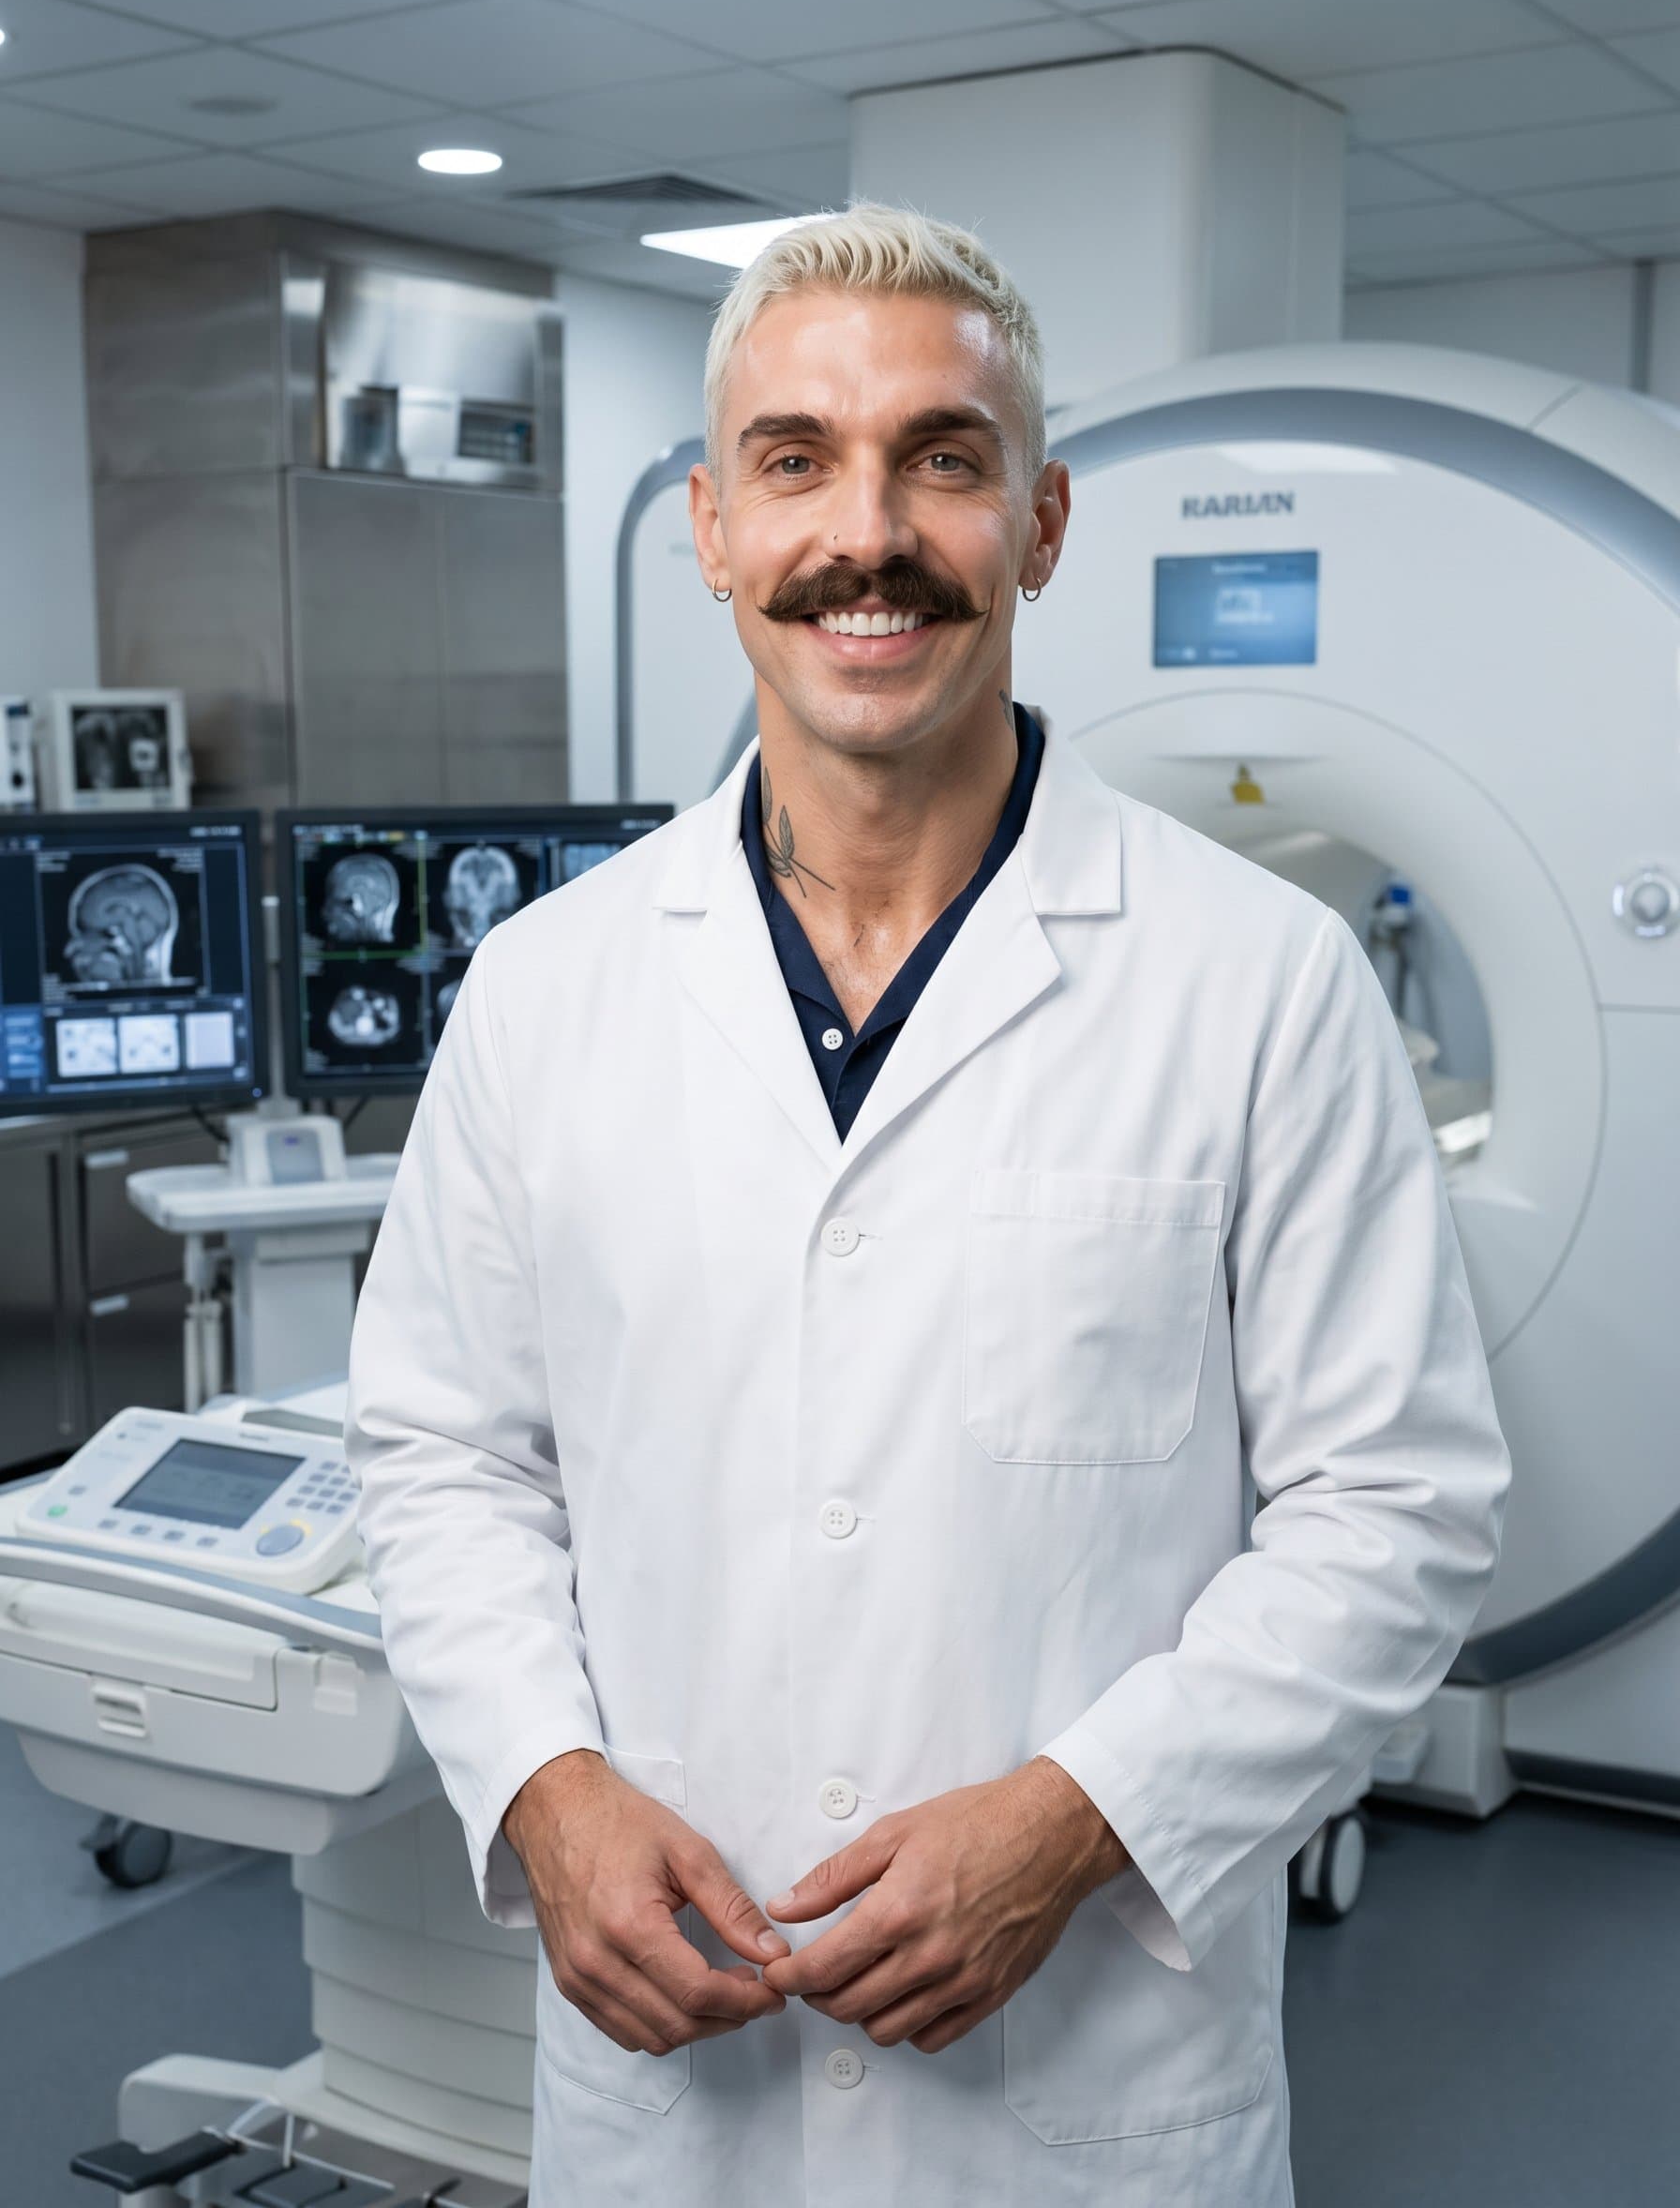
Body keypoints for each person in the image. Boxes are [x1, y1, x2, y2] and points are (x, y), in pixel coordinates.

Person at [346, 203, 1509, 2208]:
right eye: (795, 461)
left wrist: (1078, 1823)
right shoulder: (548, 990)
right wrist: (542, 1785)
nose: (864, 534)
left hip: (1088, 2095)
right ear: (714, 529)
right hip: (678, 2097)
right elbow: (443, 1450)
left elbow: (1397, 1508)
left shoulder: (1257, 982)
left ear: (1038, 526)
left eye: (941, 459)